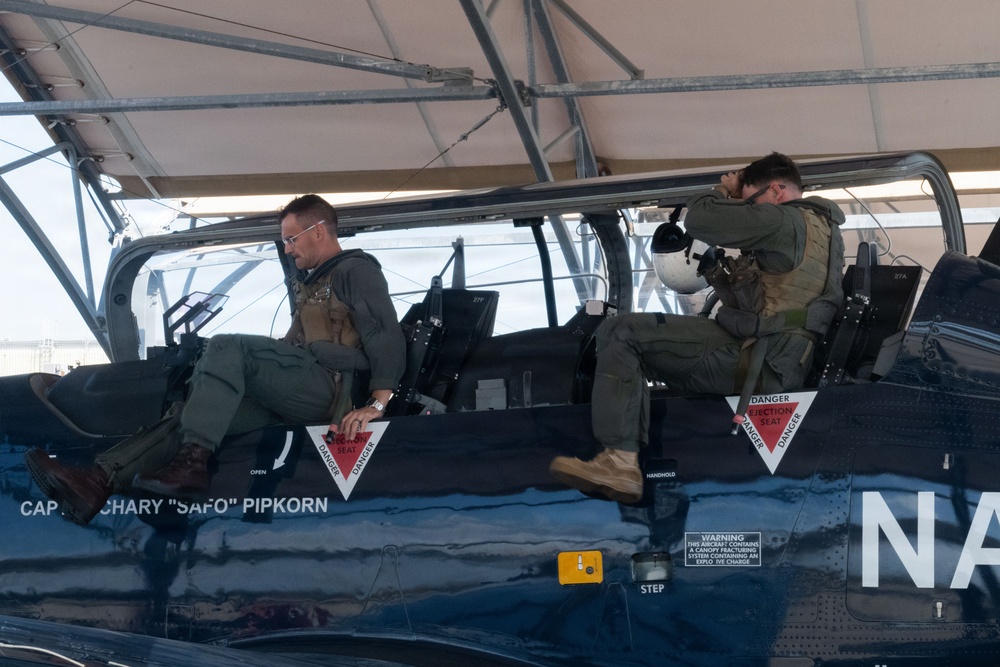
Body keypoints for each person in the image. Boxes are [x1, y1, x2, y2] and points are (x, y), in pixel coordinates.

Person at [26, 194, 406, 524]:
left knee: (225, 346)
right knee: (197, 415)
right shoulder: (311, 282)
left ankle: (192, 466)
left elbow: (384, 333)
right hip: (298, 389)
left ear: (318, 231)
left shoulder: (356, 271)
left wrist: (377, 403)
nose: (288, 249)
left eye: (291, 239)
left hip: (330, 387)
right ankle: (98, 482)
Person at [549, 152, 846, 503]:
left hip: (759, 360)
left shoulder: (785, 221)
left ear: (776, 191)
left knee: (620, 332)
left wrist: (721, 192)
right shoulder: (821, 228)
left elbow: (702, 221)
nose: (747, 210)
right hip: (776, 356)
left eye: (750, 202)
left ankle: (619, 463)